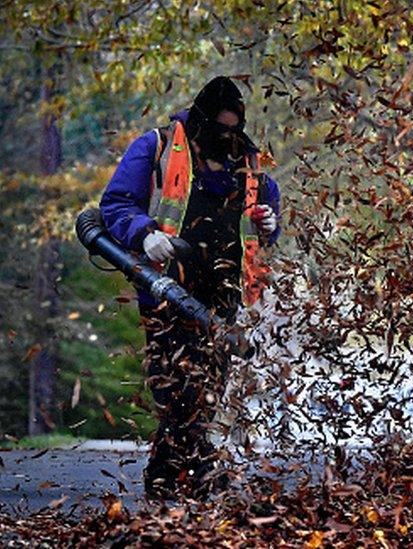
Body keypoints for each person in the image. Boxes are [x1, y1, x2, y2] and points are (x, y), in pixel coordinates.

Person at [99, 76, 281, 499]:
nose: (226, 135)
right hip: (165, 290)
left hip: (224, 298)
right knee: (176, 390)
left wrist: (270, 225)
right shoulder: (157, 147)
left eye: (233, 127)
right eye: (219, 126)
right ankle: (192, 479)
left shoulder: (249, 163)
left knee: (207, 395)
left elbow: (266, 217)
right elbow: (114, 205)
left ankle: (177, 483)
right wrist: (143, 234)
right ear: (200, 120)